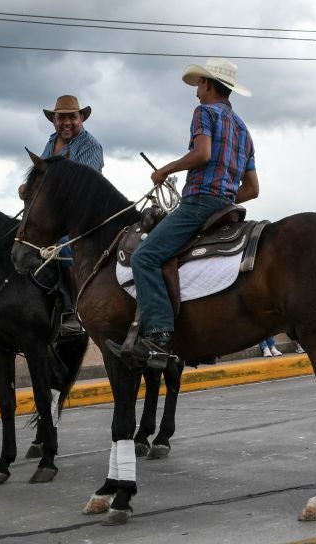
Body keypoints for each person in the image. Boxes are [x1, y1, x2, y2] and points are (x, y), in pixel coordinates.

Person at [106, 58, 259, 370]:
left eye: (200, 84)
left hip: (198, 203)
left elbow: (202, 153)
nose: (196, 92)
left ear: (208, 84)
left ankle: (159, 336)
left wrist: (165, 169)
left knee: (144, 257)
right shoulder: (243, 130)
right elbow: (252, 188)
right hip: (226, 207)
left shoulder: (204, 113)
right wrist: (225, 194)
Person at [33, 95, 104, 335]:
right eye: (60, 117)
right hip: (57, 216)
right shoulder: (51, 142)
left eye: (72, 117)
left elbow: (81, 184)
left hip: (85, 216)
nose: (66, 122)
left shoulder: (90, 146)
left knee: (63, 245)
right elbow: (41, 175)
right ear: (53, 120)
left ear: (81, 118)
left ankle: (72, 309)